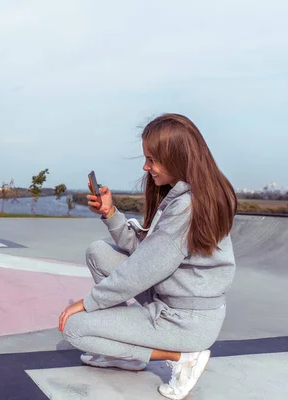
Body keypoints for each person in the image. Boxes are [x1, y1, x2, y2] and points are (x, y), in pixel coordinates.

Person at [59, 113, 237, 400]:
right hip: (172, 301)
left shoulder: (187, 207)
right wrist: (110, 214)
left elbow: (142, 270)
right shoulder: (184, 196)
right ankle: (126, 354)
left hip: (184, 321)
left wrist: (89, 303)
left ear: (177, 157)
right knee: (98, 252)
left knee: (75, 329)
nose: (146, 166)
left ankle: (182, 357)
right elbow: (148, 253)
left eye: (152, 159)